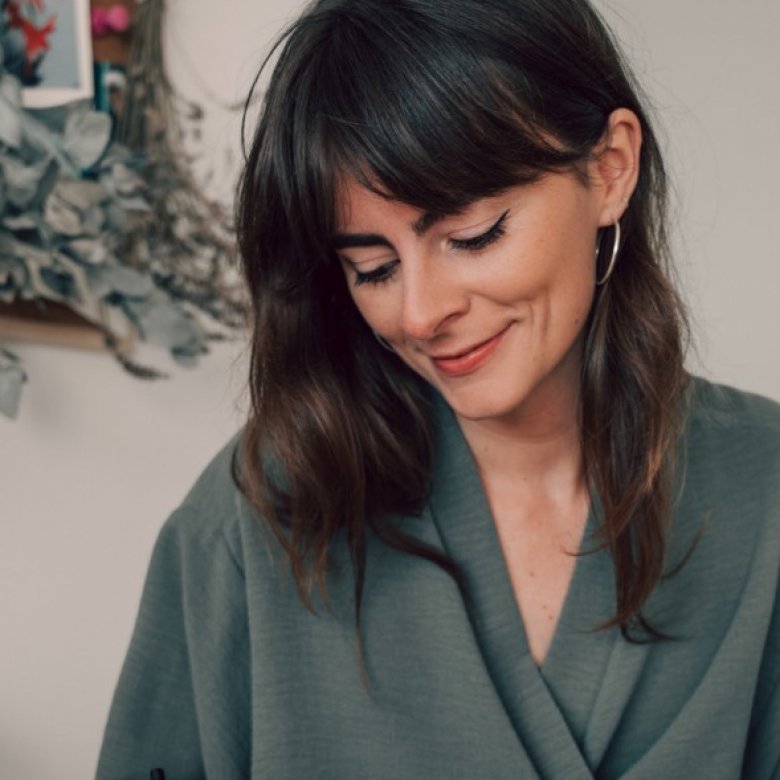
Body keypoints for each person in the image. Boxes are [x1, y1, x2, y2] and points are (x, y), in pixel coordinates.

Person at [96, 0, 780, 777]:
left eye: (473, 235)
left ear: (610, 168)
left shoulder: (767, 494)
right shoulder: (253, 519)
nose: (421, 314)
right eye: (373, 268)